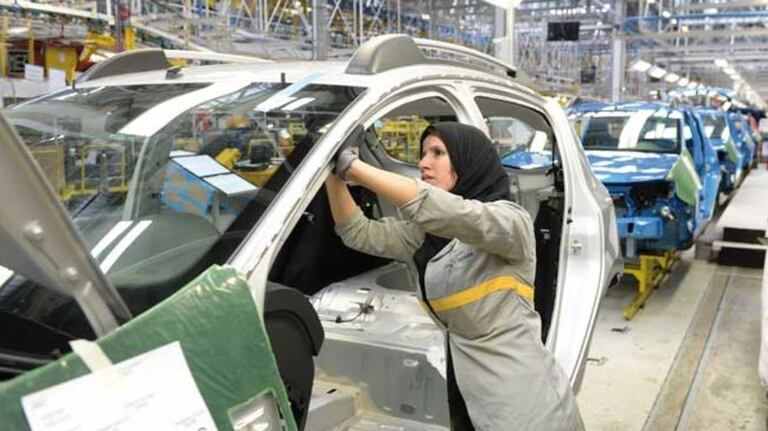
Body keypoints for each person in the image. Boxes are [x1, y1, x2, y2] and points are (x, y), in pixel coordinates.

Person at [325, 122, 584, 430]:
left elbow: (453, 213)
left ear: (468, 162)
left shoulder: (510, 223)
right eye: (423, 153)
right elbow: (359, 232)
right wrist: (330, 173)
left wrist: (354, 168)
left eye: (438, 153)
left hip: (524, 402)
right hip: (465, 396)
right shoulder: (424, 236)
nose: (423, 163)